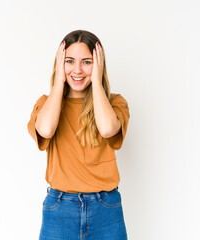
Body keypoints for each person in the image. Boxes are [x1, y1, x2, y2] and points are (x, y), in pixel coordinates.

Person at [27, 30, 130, 240]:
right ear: (59, 63)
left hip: (106, 208)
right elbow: (45, 129)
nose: (77, 70)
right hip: (60, 208)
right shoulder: (46, 105)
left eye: (87, 62)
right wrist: (58, 82)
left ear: (98, 65)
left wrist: (97, 83)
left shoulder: (115, 103)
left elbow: (108, 129)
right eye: (69, 61)